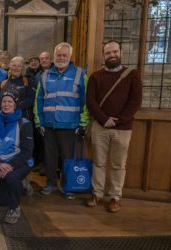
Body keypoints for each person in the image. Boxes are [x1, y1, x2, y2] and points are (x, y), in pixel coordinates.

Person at [86, 40, 142, 212]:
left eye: (114, 52)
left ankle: (115, 197)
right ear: (103, 55)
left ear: (121, 52)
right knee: (99, 162)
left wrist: (118, 120)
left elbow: (135, 101)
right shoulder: (96, 76)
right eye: (108, 53)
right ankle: (97, 193)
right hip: (100, 127)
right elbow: (91, 101)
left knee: (119, 164)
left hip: (122, 129)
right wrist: (104, 119)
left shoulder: (132, 75)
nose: (112, 55)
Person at [35, 42, 89, 200]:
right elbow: (39, 100)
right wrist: (39, 122)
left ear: (70, 56)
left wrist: (83, 123)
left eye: (64, 55)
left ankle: (68, 186)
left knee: (67, 158)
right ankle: (50, 183)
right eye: (58, 55)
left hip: (70, 125)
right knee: (49, 157)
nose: (61, 57)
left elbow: (85, 102)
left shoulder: (80, 74)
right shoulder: (45, 76)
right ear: (54, 56)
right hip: (49, 125)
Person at [0, 88, 33, 224]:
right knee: (1, 201)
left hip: (19, 163)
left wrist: (10, 166)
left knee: (11, 177)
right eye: (4, 101)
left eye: (10, 102)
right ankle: (20, 184)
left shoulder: (24, 124)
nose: (6, 104)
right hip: (0, 163)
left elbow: (27, 151)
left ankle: (15, 207)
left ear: (15, 104)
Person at [0, 56, 36, 121]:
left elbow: (31, 99)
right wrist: (4, 107)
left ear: (23, 68)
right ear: (10, 67)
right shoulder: (3, 83)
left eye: (19, 66)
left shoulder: (28, 82)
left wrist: (14, 107)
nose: (16, 68)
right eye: (14, 65)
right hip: (5, 119)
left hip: (22, 120)